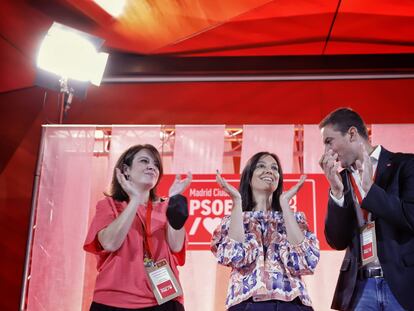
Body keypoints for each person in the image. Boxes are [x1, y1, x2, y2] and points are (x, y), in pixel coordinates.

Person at [319, 107, 414, 311]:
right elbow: (337, 241)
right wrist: (336, 191)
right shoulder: (341, 179)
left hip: (402, 286)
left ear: (352, 133)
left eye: (329, 141)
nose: (327, 152)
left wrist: (370, 190)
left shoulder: (406, 165)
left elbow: (411, 217)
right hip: (360, 288)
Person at [84, 144, 192, 311]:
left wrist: (174, 200)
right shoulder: (109, 205)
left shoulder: (166, 207)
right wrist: (135, 200)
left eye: (156, 164)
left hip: (163, 301)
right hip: (114, 301)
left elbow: (176, 245)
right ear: (126, 170)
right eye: (144, 161)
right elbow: (110, 243)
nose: (152, 166)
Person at [211, 151, 320, 311]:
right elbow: (235, 257)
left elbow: (305, 262)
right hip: (247, 304)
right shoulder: (233, 219)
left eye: (274, 168)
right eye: (261, 166)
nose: (269, 171)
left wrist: (284, 204)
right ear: (249, 176)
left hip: (293, 304)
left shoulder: (294, 218)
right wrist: (237, 200)